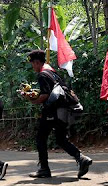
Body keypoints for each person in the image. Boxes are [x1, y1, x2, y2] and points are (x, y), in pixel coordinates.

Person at [24, 50, 92, 179]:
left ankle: (44, 169)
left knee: (41, 138)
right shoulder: (53, 73)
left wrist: (32, 100)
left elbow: (45, 95)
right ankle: (82, 158)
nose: (32, 66)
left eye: (33, 63)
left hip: (52, 112)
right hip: (63, 111)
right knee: (61, 139)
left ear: (37, 62)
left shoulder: (42, 75)